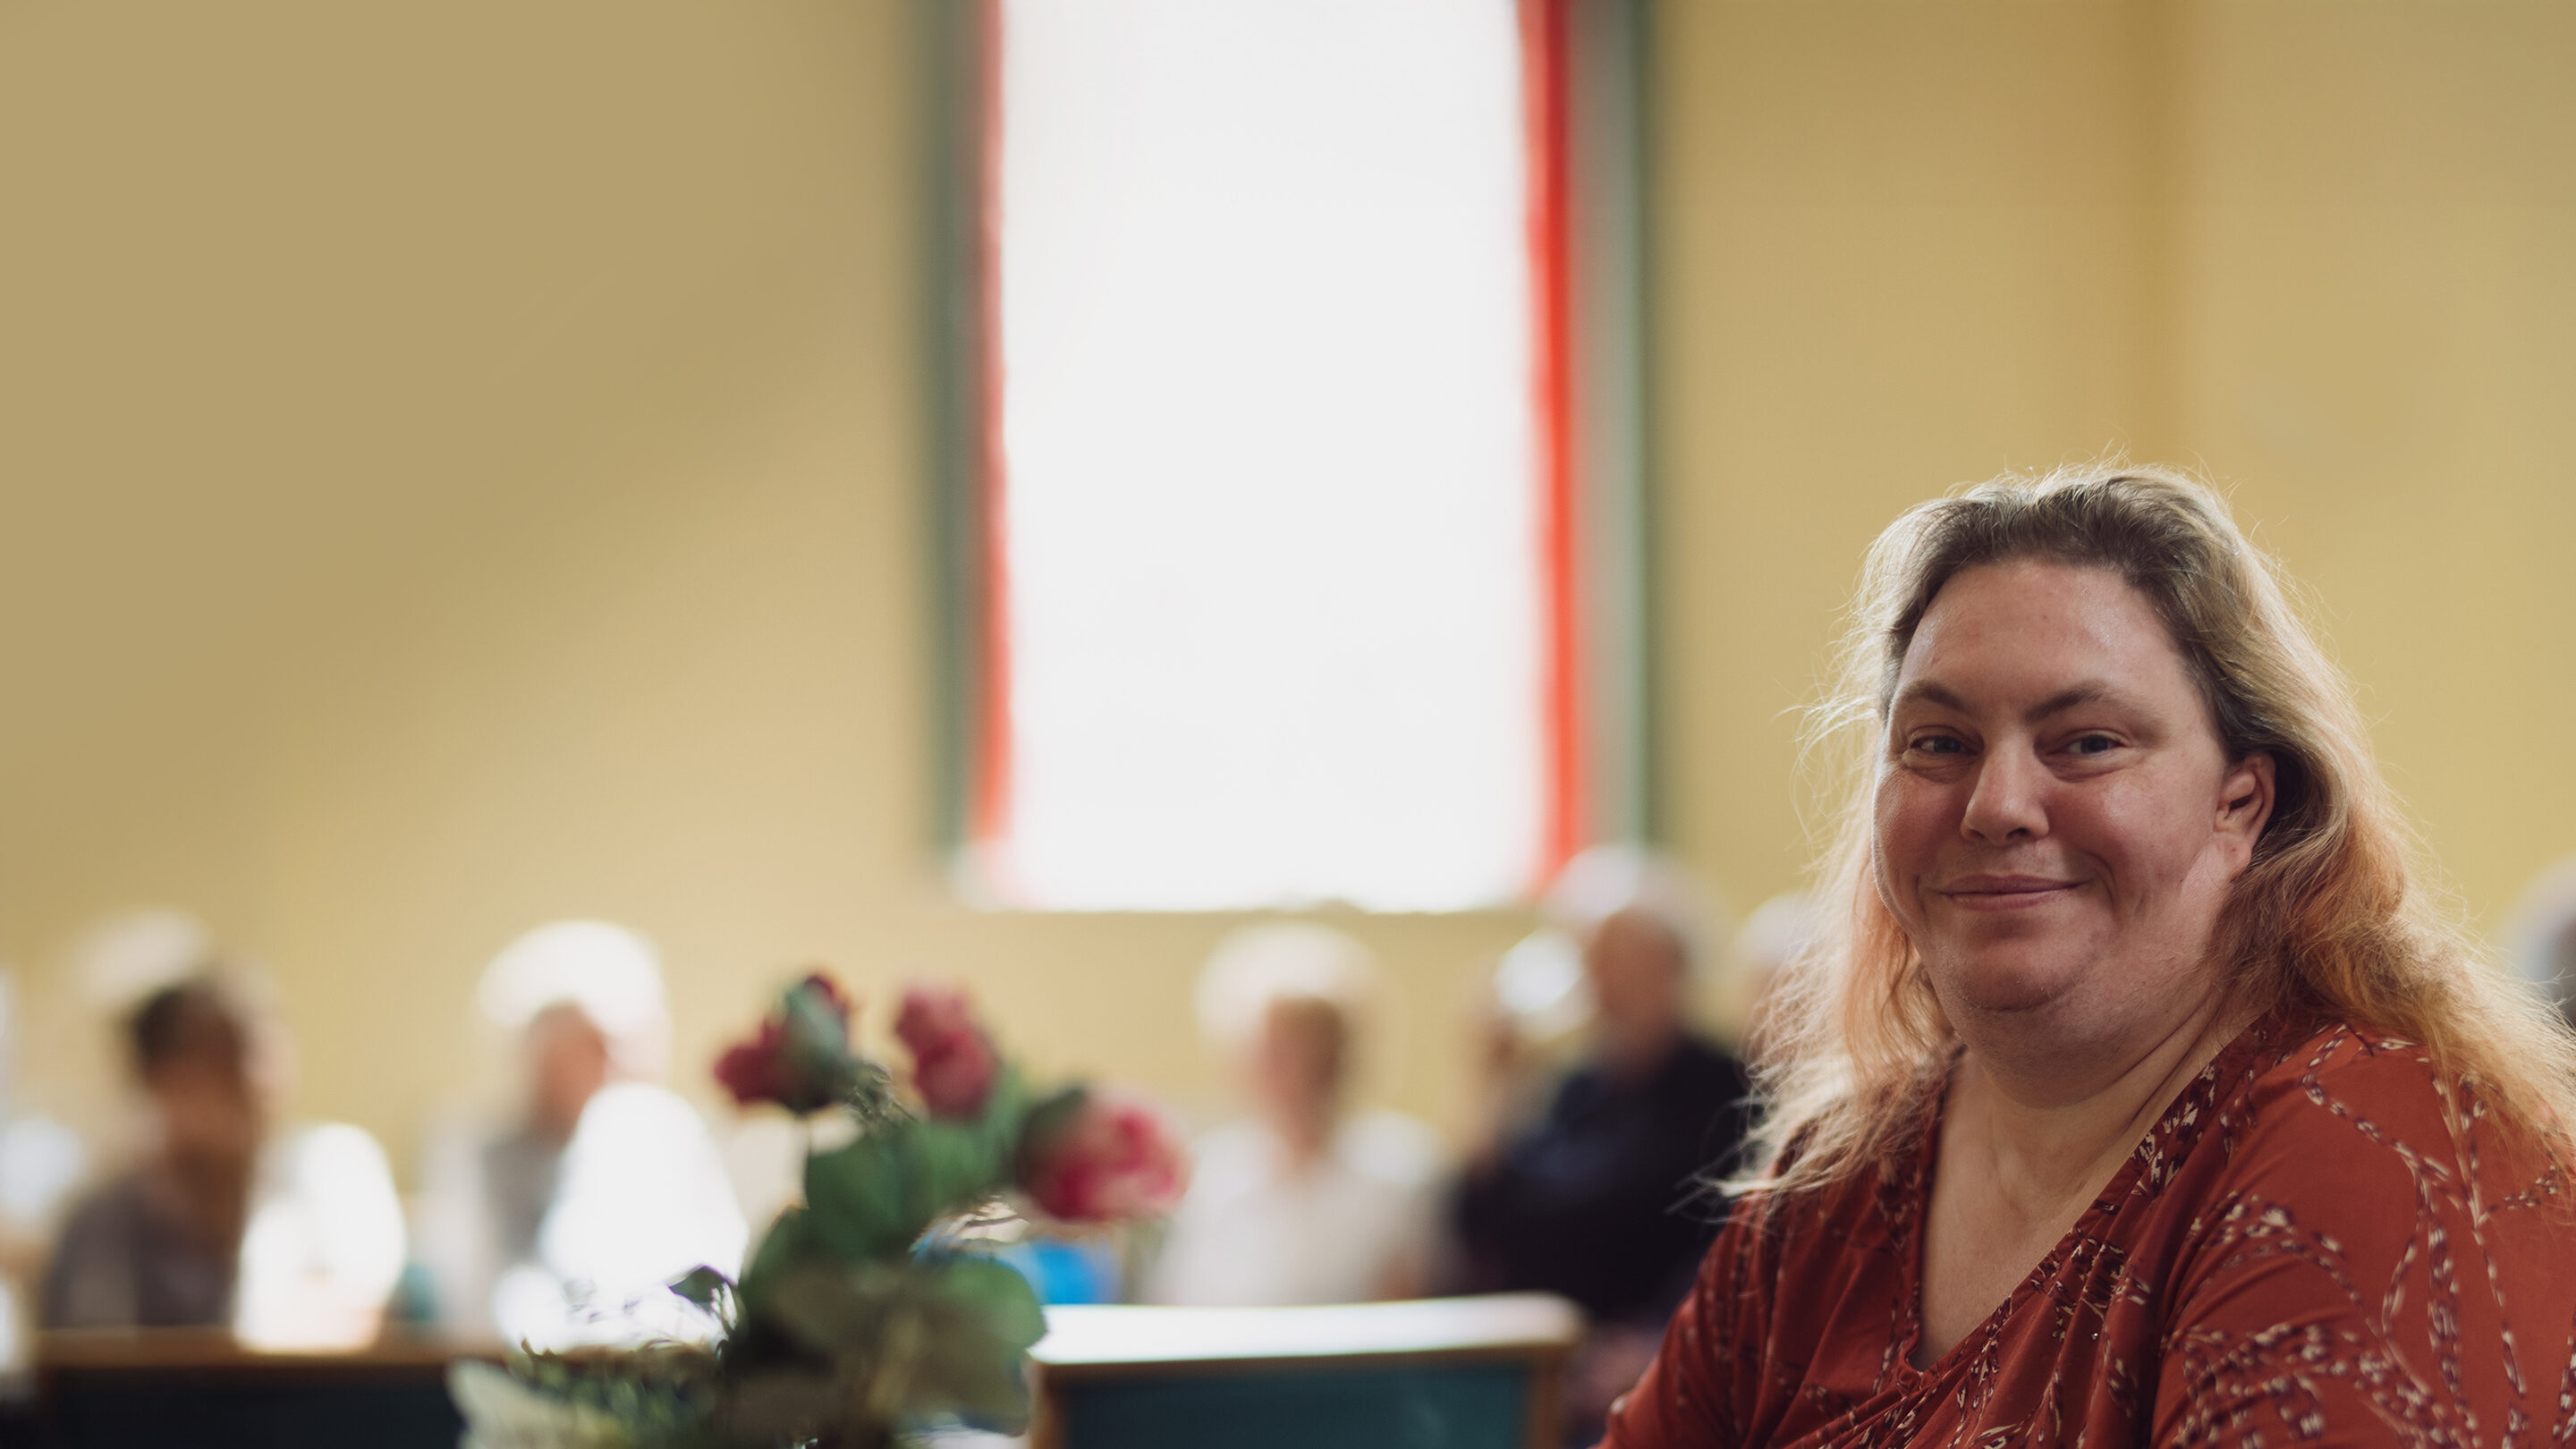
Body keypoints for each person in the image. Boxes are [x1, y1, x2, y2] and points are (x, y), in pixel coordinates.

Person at [1603, 466, 2576, 1446]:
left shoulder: (2371, 1146)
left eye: (2088, 742)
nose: (1995, 805)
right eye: (1939, 743)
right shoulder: (1844, 1178)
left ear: (2240, 804)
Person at [1453, 847, 1753, 1442]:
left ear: (1671, 963)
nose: (1596, 976)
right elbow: (1484, 1216)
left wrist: (1659, 1345)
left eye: (1614, 955)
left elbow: (1734, 1240)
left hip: (1666, 1369)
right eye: (1587, 955)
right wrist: (1494, 1083)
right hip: (1552, 1365)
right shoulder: (1577, 1091)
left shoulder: (1727, 1089)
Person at [415, 921, 746, 1345]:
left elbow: (721, 1274)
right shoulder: (477, 1147)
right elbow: (474, 1300)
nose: (617, 1063)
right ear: (533, 1050)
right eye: (592, 1045)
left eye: (629, 1043)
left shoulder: (666, 1134)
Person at [42, 974, 405, 1348]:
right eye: (220, 1059)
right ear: (159, 1081)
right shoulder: (100, 1223)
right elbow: (84, 1364)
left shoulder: (334, 1170)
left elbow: (357, 1321)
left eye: (262, 1050)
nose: (255, 1077)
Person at [1142, 924, 1443, 1307]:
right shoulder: (1207, 1176)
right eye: (1271, 1052)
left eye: (1309, 1049)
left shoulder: (1404, 1173)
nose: (1292, 1072)